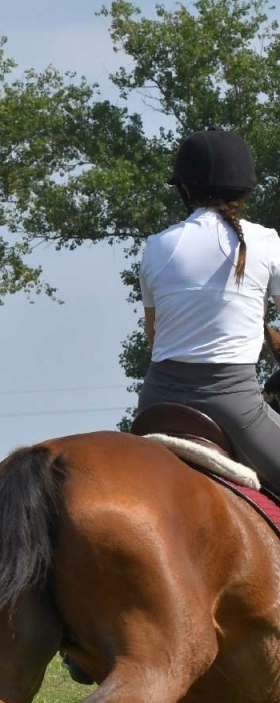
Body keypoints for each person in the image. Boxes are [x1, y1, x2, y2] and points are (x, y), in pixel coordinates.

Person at [139, 128, 280, 488]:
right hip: (234, 404)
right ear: (245, 188)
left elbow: (155, 340)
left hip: (157, 402)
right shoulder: (266, 242)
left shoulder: (155, 247)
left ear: (186, 189)